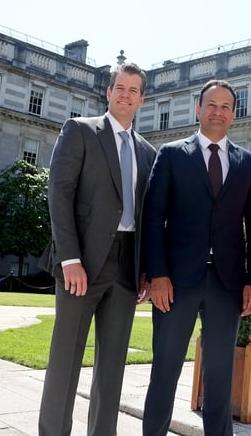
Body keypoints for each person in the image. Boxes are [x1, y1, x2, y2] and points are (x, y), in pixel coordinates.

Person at [141, 79, 251, 436]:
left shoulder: (248, 163)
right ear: (198, 110)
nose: (218, 112)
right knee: (165, 369)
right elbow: (154, 217)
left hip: (228, 284)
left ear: (234, 114)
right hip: (176, 281)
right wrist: (157, 274)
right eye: (211, 105)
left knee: (220, 374)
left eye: (226, 106)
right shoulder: (171, 154)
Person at [37, 62, 157, 436]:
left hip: (126, 266)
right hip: (81, 264)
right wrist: (69, 257)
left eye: (133, 90)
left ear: (142, 99)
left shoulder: (148, 152)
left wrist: (145, 271)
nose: (125, 95)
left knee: (112, 367)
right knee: (65, 360)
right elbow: (60, 194)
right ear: (108, 92)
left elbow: (148, 217)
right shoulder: (80, 131)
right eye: (119, 88)